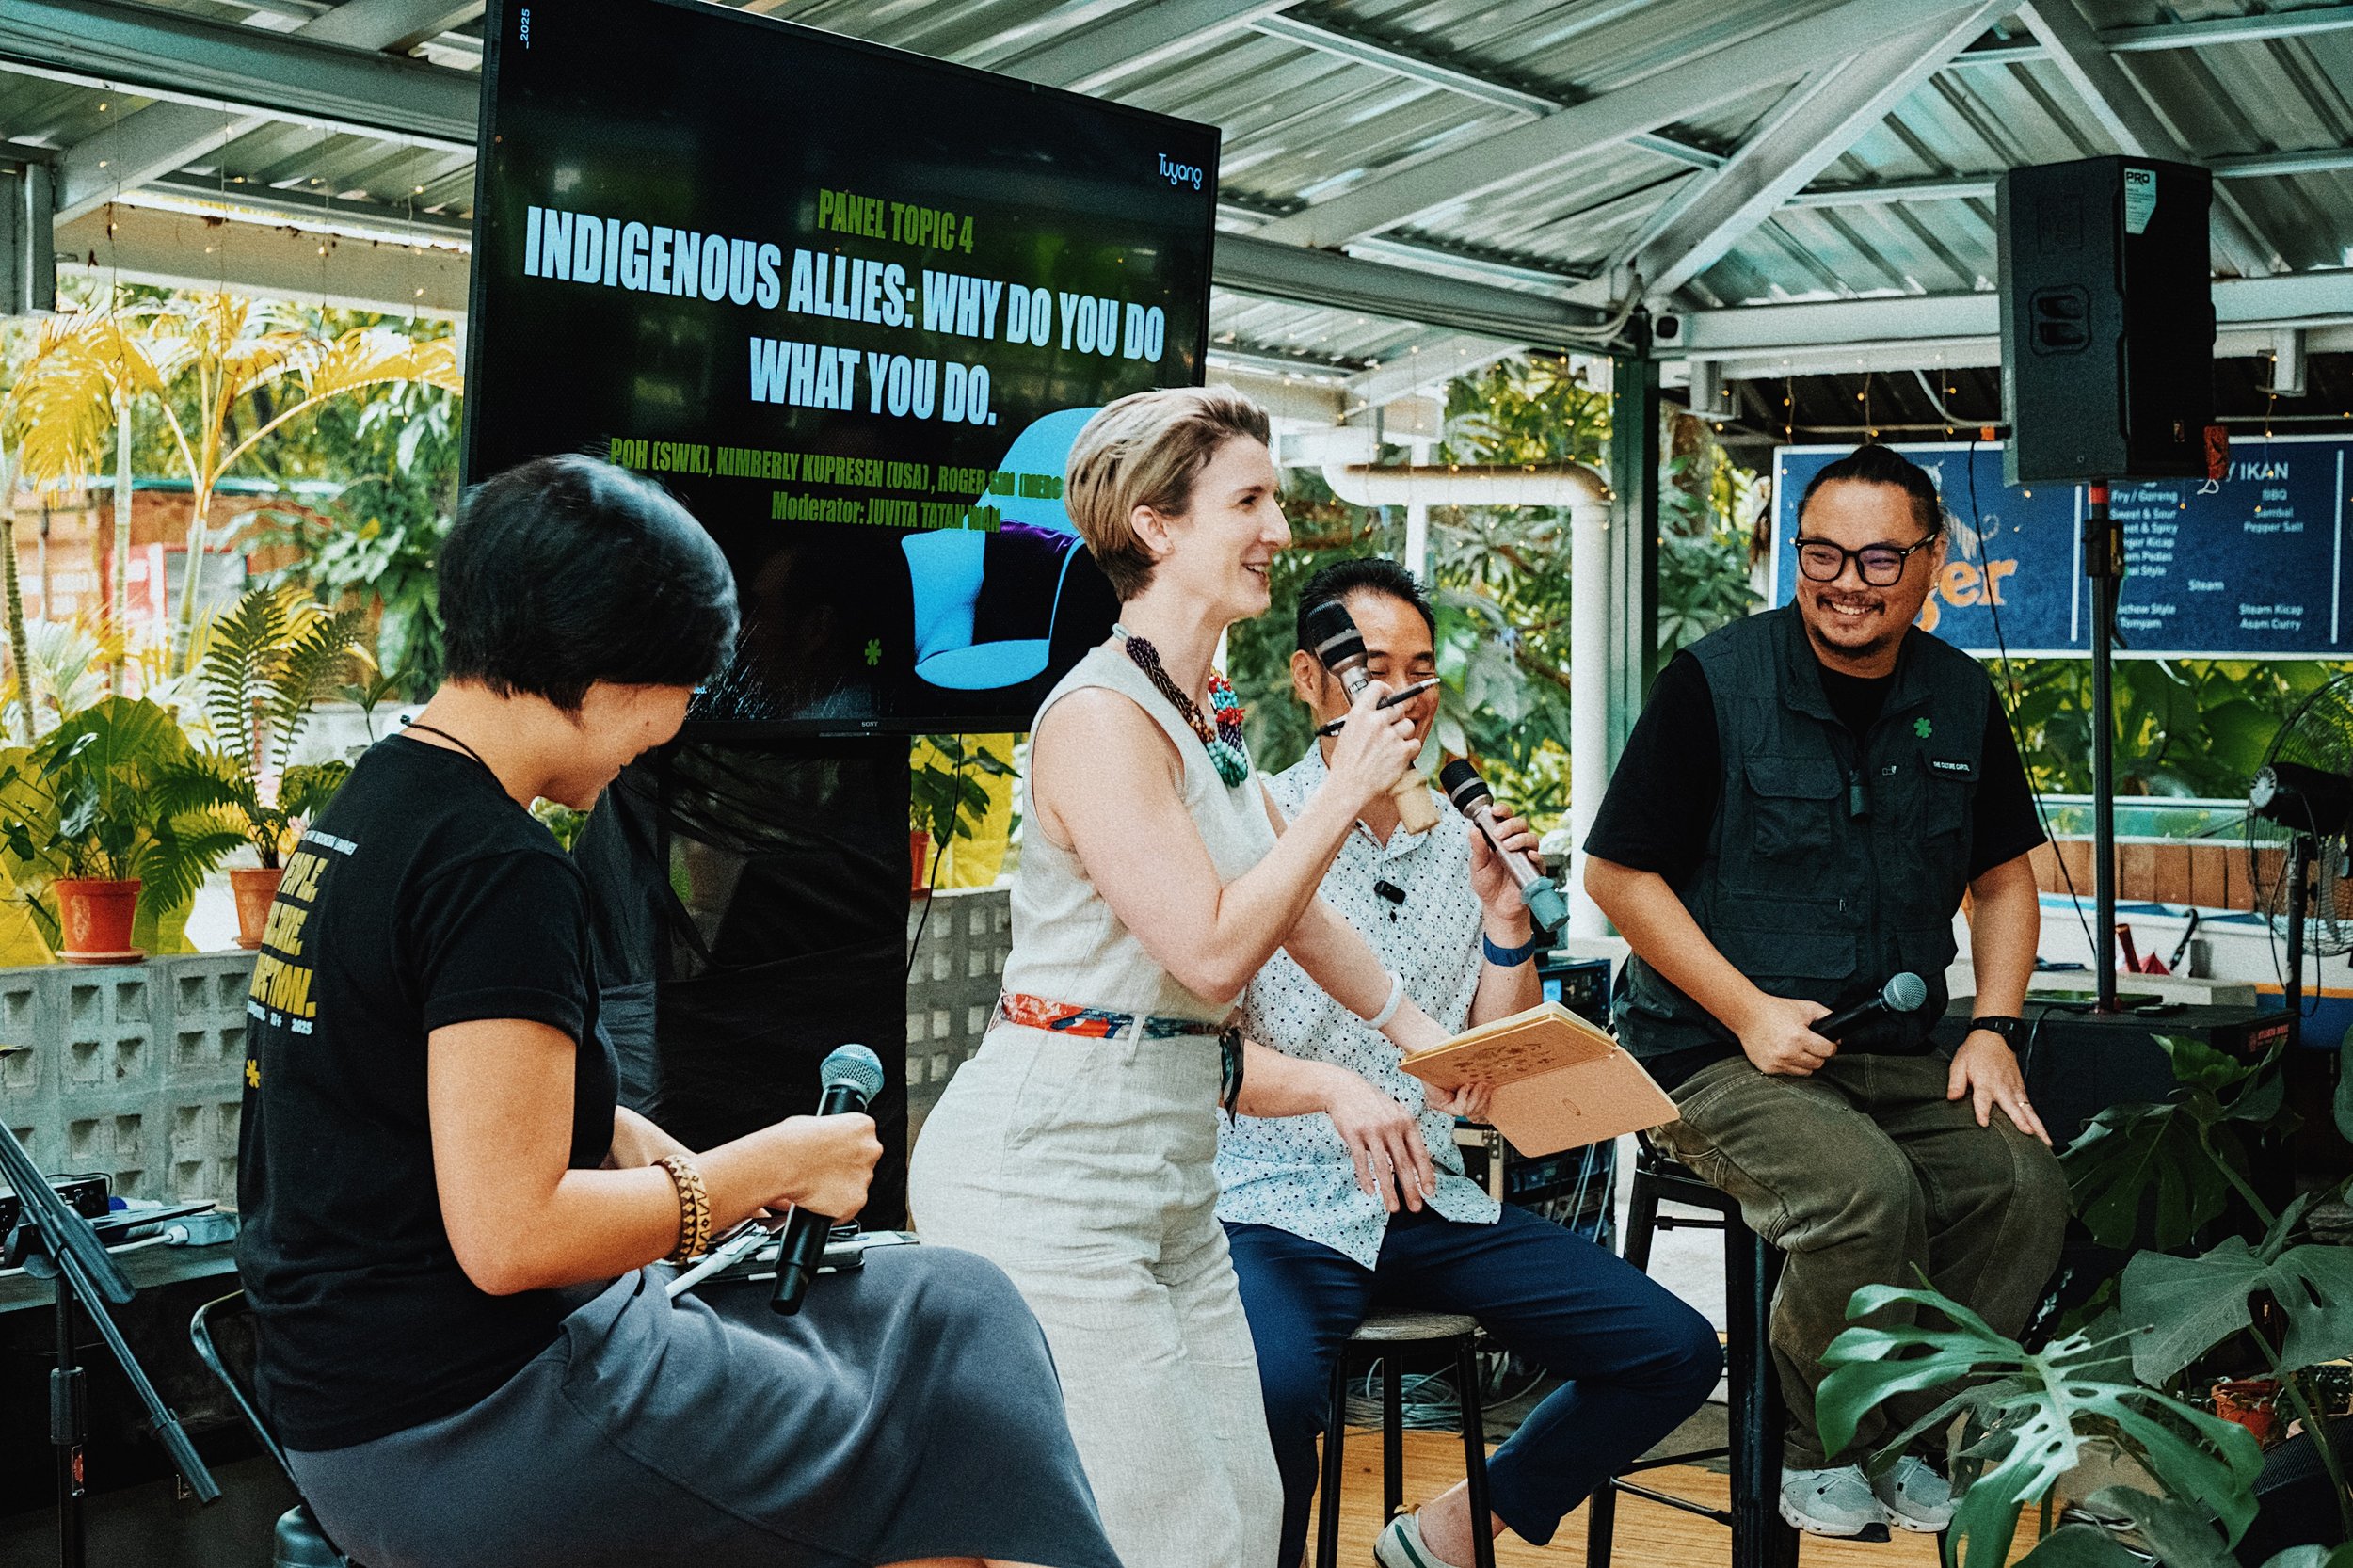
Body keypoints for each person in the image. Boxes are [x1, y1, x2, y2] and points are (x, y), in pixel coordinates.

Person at [236, 454, 1119, 1568]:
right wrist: (768, 1166)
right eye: (680, 689)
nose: (682, 724)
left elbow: (564, 1113)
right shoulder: (496, 870)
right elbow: (512, 1237)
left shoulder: (377, 803)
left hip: (368, 1398)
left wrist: (743, 1184)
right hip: (468, 1420)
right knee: (945, 1414)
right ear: (599, 671)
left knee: (949, 1302)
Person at [909, 387, 1489, 1568]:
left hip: (1171, 1170)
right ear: (1157, 527)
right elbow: (1217, 946)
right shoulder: (1097, 718)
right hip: (1052, 1173)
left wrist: (1426, 1034)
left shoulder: (1205, 711)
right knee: (1173, 1541)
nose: (1280, 528)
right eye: (1251, 500)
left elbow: (1301, 915)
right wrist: (1339, 790)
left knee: (1242, 1517)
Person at [1582, 442, 2068, 1539]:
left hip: (1889, 1055)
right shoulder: (1712, 680)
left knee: (2021, 1185)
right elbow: (1615, 872)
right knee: (1865, 1192)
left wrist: (1991, 1027)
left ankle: (1906, 1431)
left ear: (1931, 562)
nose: (1846, 581)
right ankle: (1819, 1443)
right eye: (1820, 554)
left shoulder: (1961, 693)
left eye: (1878, 558)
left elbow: (2002, 883)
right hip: (1709, 1055)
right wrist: (1748, 1010)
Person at [1220, 558, 1724, 1568]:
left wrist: (1504, 922)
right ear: (1307, 683)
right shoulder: (1247, 825)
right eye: (1369, 673)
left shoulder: (1460, 841)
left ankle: (1450, 1532)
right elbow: (1212, 1055)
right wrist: (1337, 1094)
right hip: (1272, 1198)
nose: (1400, 699)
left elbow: (1486, 1073)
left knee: (1671, 1351)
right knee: (1268, 1395)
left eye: (1420, 672)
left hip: (1427, 1195)